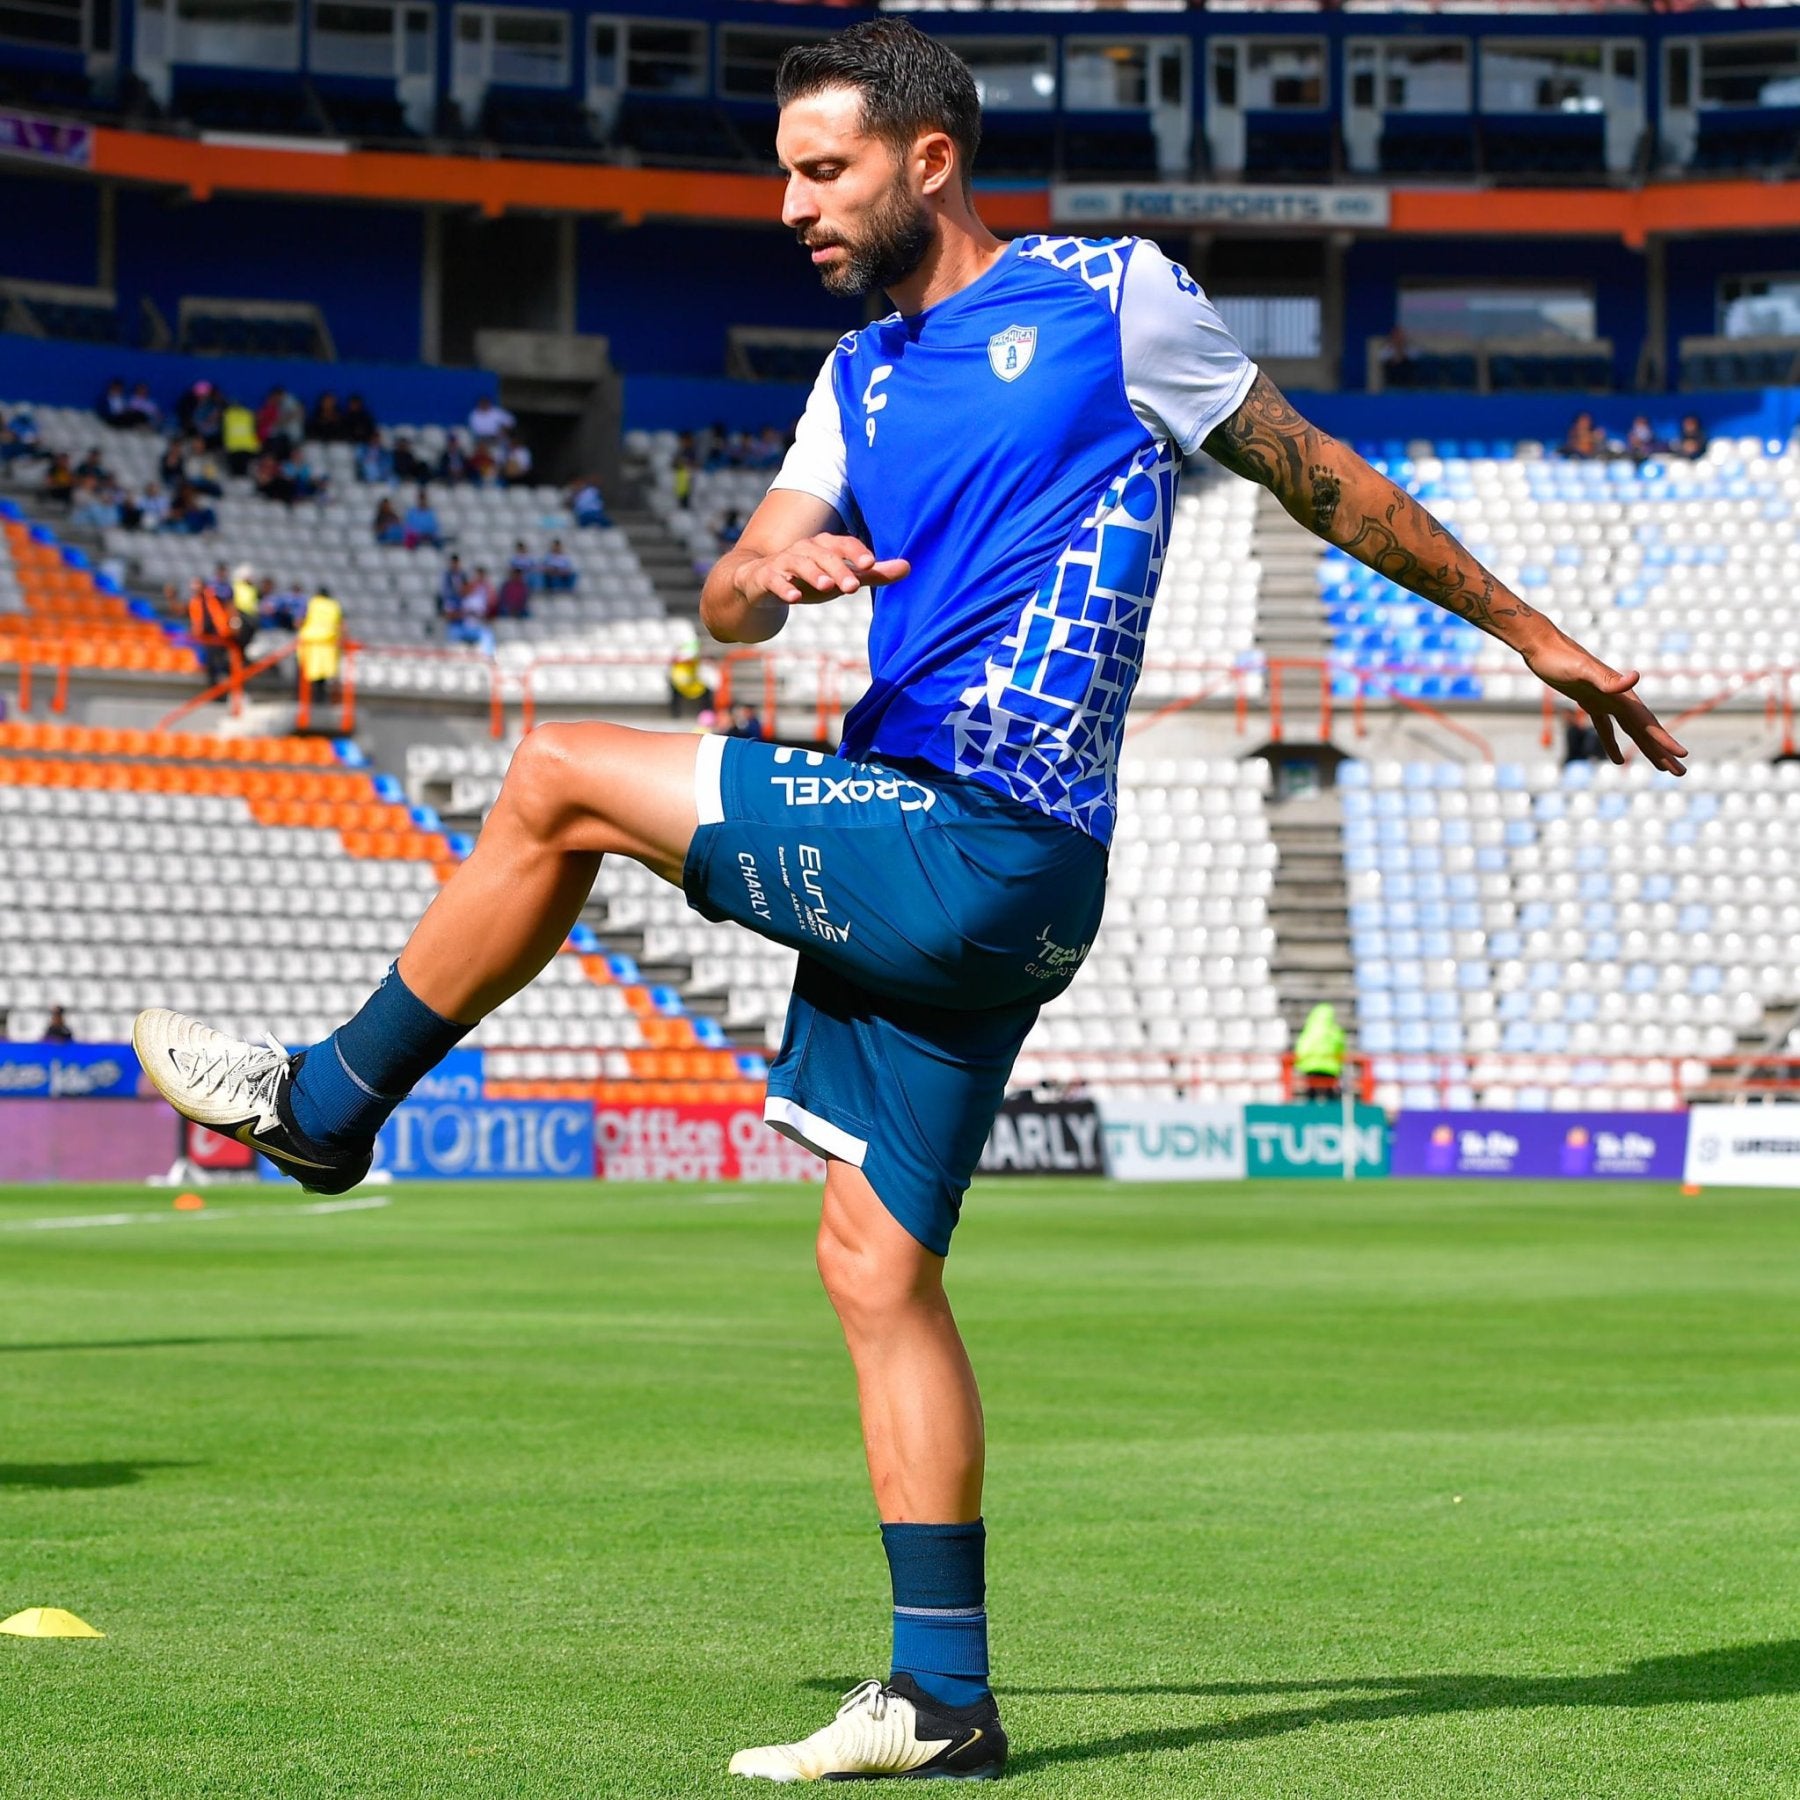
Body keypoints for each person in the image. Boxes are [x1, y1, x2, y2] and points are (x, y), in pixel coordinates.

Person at [133, 17, 1688, 1784]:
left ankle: (329, 1107)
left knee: (558, 771)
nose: (792, 203)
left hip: (985, 833)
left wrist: (1538, 638)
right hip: (988, 870)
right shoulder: (852, 381)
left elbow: (1322, 477)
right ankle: (941, 1698)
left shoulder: (1117, 299)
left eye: (824, 169)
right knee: (876, 1266)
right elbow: (728, 603)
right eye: (783, 173)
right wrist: (762, 573)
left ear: (927, 159)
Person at [297, 585, 344, 707]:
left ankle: (306, 701)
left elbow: (299, 621)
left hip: (310, 643)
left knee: (307, 673)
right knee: (324, 675)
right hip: (328, 645)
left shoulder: (310, 603)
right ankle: (322, 700)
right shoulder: (335, 606)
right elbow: (341, 626)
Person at [1292, 1001, 1346, 1102]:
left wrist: (1300, 1062)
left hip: (1311, 1066)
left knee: (1311, 1091)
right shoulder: (1335, 1031)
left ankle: (1311, 1112)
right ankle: (1332, 1112)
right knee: (1330, 1091)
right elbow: (1341, 1048)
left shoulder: (1310, 1030)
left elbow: (1302, 1048)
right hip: (1331, 1067)